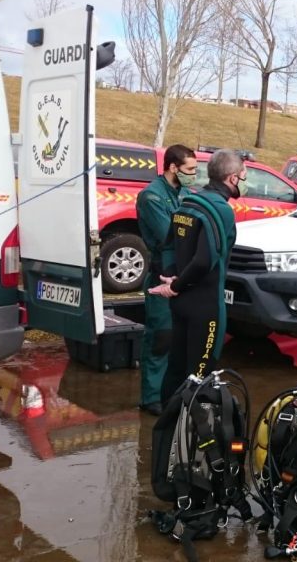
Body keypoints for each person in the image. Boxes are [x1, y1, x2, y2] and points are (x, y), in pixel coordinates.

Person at [151, 149, 242, 404]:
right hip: (206, 306)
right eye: (242, 177)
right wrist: (177, 284)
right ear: (232, 178)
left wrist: (171, 280)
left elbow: (168, 246)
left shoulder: (188, 203)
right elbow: (204, 260)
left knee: (176, 368)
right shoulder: (222, 210)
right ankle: (191, 437)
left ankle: (166, 434)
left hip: (180, 304)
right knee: (200, 376)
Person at [135, 144, 196, 415]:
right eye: (190, 169)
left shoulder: (184, 193)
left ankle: (171, 390)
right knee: (161, 336)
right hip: (162, 273)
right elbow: (170, 235)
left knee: (179, 338)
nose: (194, 175)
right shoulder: (152, 197)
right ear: (173, 167)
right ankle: (151, 397)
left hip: (183, 274)